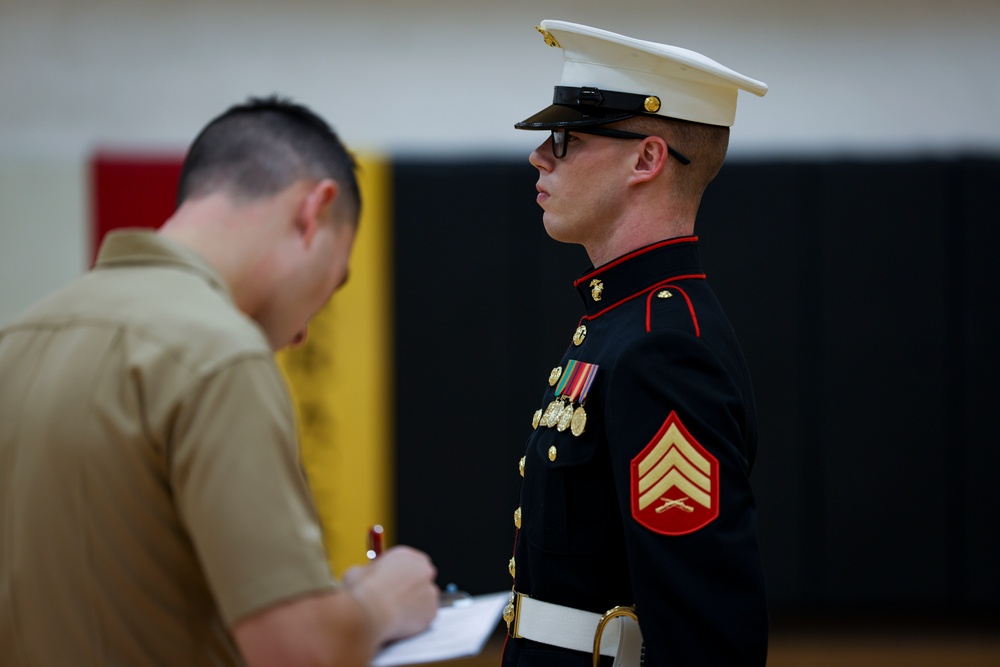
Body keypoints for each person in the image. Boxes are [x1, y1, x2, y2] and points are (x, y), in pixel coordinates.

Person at [0, 96, 439, 667]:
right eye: (334, 284)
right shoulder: (220, 353)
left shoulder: (17, 340)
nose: (305, 333)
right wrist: (380, 603)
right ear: (314, 211)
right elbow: (297, 651)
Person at [501, 21, 770, 666]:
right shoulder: (621, 321)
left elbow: (705, 632)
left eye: (565, 138)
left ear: (647, 159)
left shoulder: (661, 348)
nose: (540, 155)